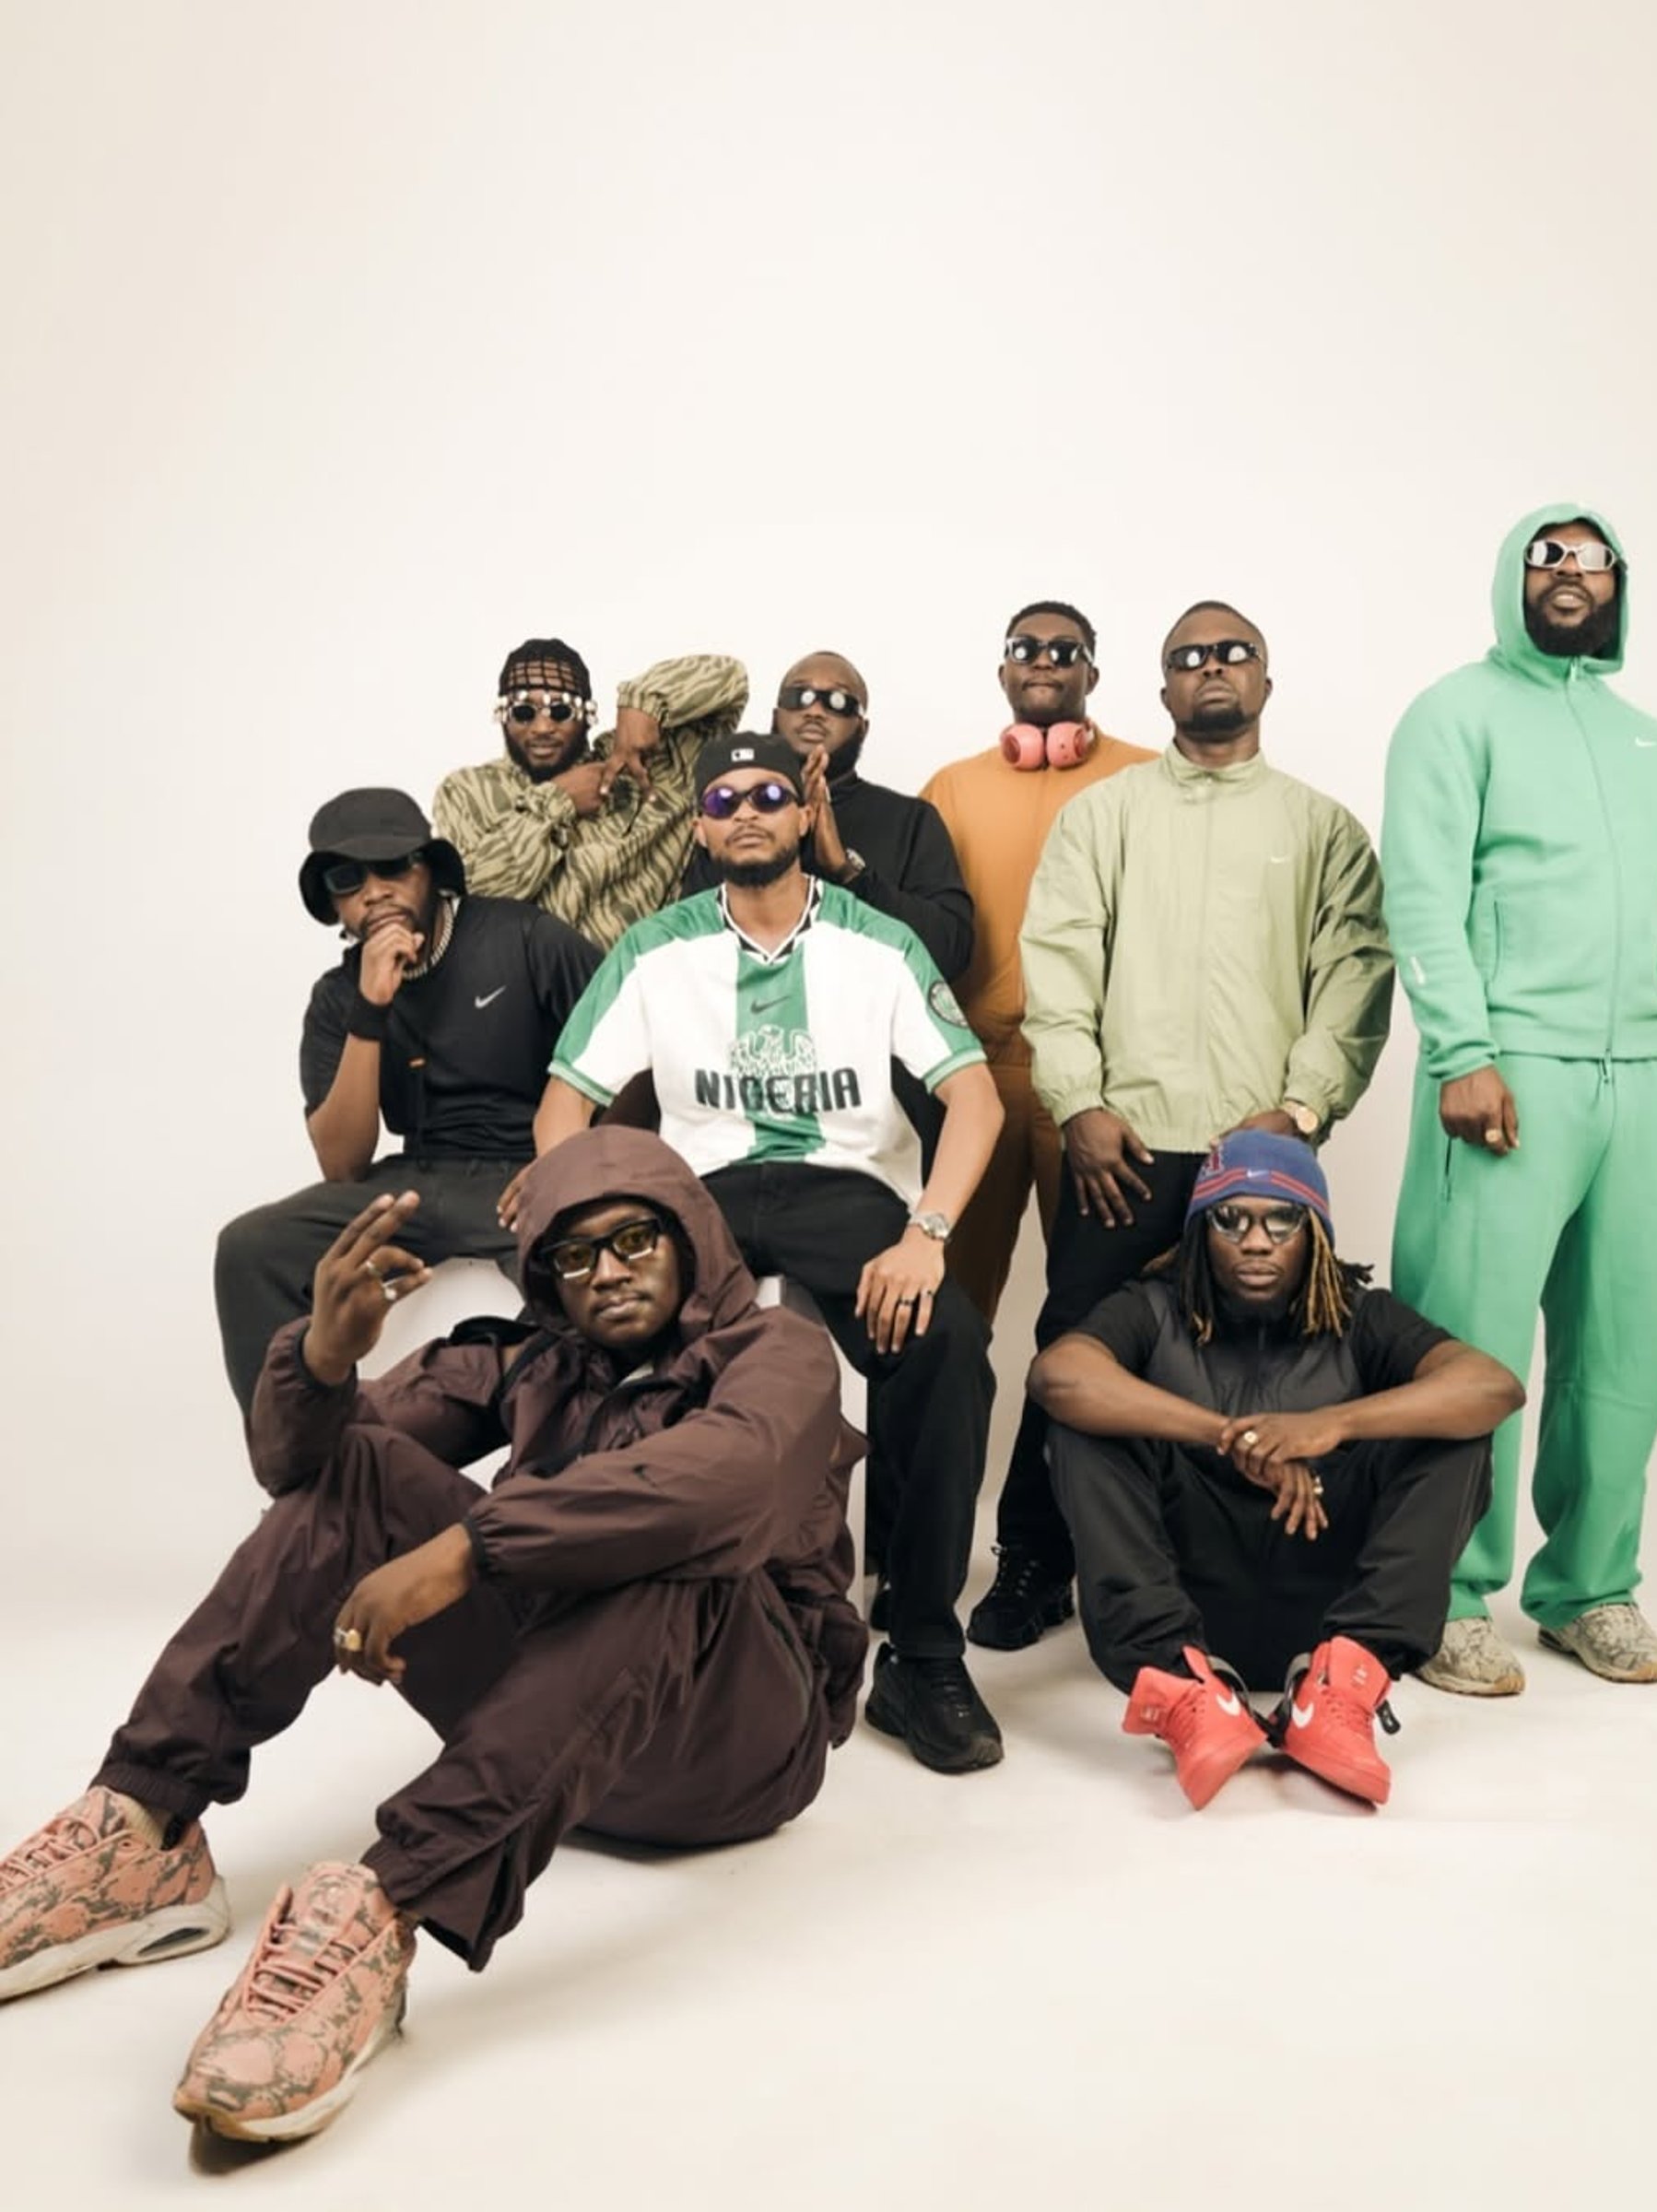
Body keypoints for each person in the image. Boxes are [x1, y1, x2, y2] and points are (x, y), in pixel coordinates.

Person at [0, 1129, 863, 2144]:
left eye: (636, 1239)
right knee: (363, 1466)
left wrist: (468, 1551)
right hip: (558, 1734)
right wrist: (322, 1360)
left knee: (679, 1535)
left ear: (694, 1242)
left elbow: (736, 1482)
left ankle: (379, 1917)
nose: (610, 1273)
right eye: (575, 1257)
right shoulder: (525, 1361)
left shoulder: (779, 1352)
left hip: (732, 1747)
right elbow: (307, 1476)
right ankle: (143, 1830)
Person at [535, 732, 1008, 1775]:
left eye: (768, 794)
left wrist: (927, 1236)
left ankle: (923, 1650)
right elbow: (564, 1101)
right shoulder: (656, 947)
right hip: (697, 1197)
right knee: (597, 1345)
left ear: (804, 814)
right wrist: (580, 1221)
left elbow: (974, 1098)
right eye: (723, 798)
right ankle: (605, 1619)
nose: (746, 811)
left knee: (946, 1343)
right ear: (702, 827)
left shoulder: (879, 943)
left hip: (848, 1195)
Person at [970, 599, 1394, 1651]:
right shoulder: (1105, 816)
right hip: (1127, 1143)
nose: (1212, 668)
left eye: (1234, 652)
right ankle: (1036, 1555)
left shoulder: (1321, 827)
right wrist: (1080, 1104)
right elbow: (1058, 969)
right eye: (1188, 658)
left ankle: (1258, 1564)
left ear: (1265, 680)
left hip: (1264, 1154)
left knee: (1274, 1354)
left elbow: (1354, 979)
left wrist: (1295, 1111)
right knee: (1075, 1343)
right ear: (1160, 691)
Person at [1384, 505, 1657, 1695]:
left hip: (1640, 1083)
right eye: (1550, 557)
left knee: (1624, 1349)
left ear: (1619, 584)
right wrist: (1463, 1050)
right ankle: (1444, 1592)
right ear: (1515, 577)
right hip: (1513, 1070)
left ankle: (1591, 1588)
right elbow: (1424, 894)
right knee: (1470, 1337)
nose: (1569, 576)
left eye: (1591, 561)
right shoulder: (1455, 714)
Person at [1030, 1133, 1522, 1808]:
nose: (1255, 1240)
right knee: (1084, 1425)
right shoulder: (1153, 1306)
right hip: (1186, 1606)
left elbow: (1491, 1386)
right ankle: (1188, 1693)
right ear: (1200, 1233)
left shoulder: (1361, 1316)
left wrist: (1331, 1426)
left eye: (1280, 1220)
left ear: (1315, 1232)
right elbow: (1058, 1374)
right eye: (1230, 1220)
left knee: (1453, 1431)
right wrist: (1232, 1439)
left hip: (1330, 1614)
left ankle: (1341, 1694)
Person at [212, 789, 601, 1412]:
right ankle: (297, 1463)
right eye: (348, 877)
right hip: (417, 1179)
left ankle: (566, 1467)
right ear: (333, 902)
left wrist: (569, 1162)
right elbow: (343, 1164)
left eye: (393, 867)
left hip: (528, 1170)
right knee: (250, 1247)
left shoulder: (523, 936)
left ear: (429, 871)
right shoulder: (339, 997)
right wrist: (371, 1008)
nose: (374, 890)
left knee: (579, 1283)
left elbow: (626, 1053)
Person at [921, 603, 1154, 1327]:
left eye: (1065, 649)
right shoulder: (952, 786)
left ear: (1092, 671)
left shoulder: (1147, 778)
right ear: (1003, 671)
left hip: (1097, 1080)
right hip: (976, 1074)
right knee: (945, 1302)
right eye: (1028, 647)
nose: (1045, 660)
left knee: (1106, 1309)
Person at [432, 635, 748, 949]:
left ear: (587, 714)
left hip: (635, 983)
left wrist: (643, 704)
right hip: (516, 990)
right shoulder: (468, 792)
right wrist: (557, 800)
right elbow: (472, 905)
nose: (542, 728)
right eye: (524, 712)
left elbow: (731, 681)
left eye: (560, 711)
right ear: (503, 715)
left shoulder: (651, 765)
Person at [684, 649, 973, 982]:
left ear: (862, 727)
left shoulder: (911, 819)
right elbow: (691, 941)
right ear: (776, 716)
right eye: (799, 696)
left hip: (867, 1024)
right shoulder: (729, 812)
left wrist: (847, 872)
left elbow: (951, 952)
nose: (815, 710)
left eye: (838, 701)